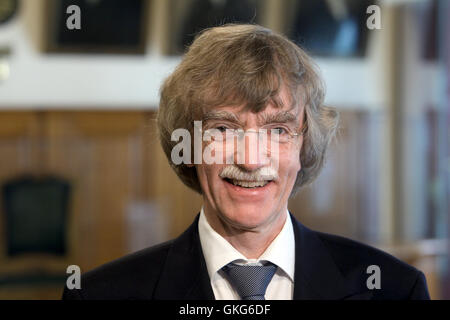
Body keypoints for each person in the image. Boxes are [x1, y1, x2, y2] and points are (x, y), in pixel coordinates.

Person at [62, 24, 430, 300]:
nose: (251, 161)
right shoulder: (98, 296)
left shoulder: (395, 289)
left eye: (277, 130)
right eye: (223, 128)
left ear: (304, 147)